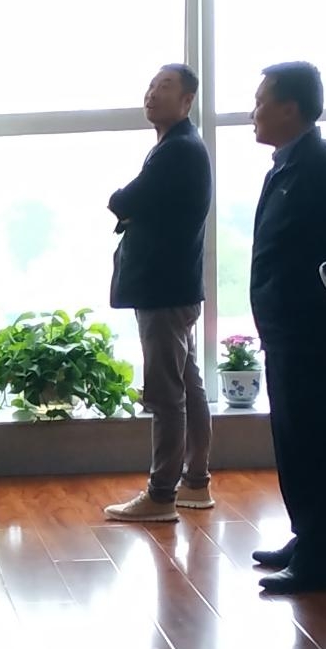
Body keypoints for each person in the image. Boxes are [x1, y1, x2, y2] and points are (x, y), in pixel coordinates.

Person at [246, 59, 326, 594]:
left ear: (290, 109)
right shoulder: (288, 164)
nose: (253, 113)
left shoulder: (322, 168)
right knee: (292, 441)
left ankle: (321, 561)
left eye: (261, 102)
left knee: (314, 445)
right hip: (285, 334)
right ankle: (307, 537)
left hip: (313, 336)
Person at [102, 63, 214, 523]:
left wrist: (127, 206)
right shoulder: (178, 147)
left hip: (164, 290)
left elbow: (124, 200)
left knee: (167, 394)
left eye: (165, 87)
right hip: (175, 286)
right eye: (151, 86)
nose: (152, 93)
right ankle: (195, 483)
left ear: (187, 101)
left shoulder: (177, 151)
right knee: (188, 383)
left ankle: (161, 494)